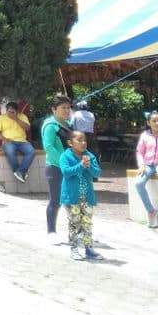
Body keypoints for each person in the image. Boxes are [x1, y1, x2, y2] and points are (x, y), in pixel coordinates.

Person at [60, 130, 103, 261]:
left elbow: (97, 173)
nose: (83, 143)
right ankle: (74, 249)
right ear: (70, 143)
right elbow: (66, 172)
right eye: (79, 140)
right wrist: (80, 165)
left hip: (87, 197)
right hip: (72, 198)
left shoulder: (89, 156)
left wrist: (88, 165)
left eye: (84, 140)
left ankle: (89, 249)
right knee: (74, 223)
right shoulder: (65, 156)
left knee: (87, 223)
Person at [41, 94, 74, 239]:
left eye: (68, 107)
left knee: (72, 200)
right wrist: (63, 163)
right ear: (54, 109)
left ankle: (76, 230)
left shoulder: (68, 124)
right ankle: (51, 231)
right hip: (55, 168)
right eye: (63, 108)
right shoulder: (50, 126)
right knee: (56, 201)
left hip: (70, 168)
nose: (67, 110)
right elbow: (48, 147)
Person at [0, 101, 35, 183]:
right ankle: (18, 171)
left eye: (12, 111)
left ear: (16, 111)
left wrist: (16, 118)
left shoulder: (22, 116)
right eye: (9, 110)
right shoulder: (1, 118)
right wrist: (4, 139)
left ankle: (21, 172)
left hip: (22, 141)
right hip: (9, 142)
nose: (10, 112)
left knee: (31, 151)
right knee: (10, 151)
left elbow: (27, 128)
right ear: (6, 110)